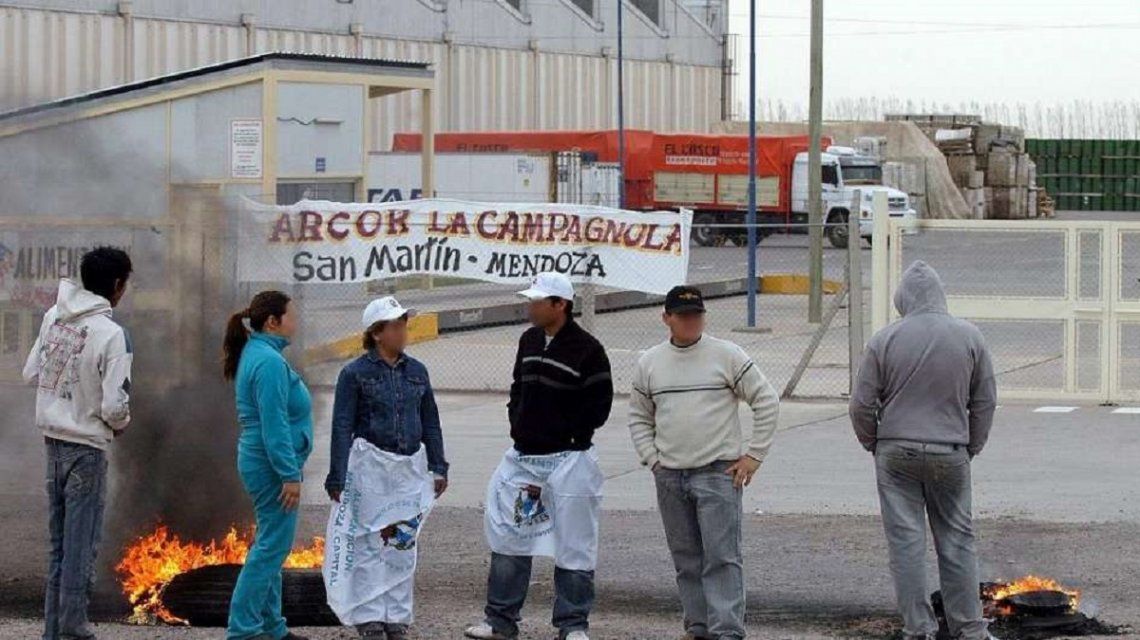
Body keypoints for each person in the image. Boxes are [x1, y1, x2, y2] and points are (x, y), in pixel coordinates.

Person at [849, 261, 998, 640]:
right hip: (951, 450)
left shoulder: (884, 339)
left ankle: (919, 629)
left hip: (896, 451)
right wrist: (971, 446)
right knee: (957, 540)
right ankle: (970, 627)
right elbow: (984, 401)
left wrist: (874, 442)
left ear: (904, 299)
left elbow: (862, 404)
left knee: (906, 543)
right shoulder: (970, 336)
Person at [465, 272, 613, 640]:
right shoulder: (528, 340)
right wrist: (518, 420)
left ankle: (573, 624)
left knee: (574, 544)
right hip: (525, 459)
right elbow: (518, 388)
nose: (529, 306)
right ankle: (500, 621)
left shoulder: (588, 349)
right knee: (510, 537)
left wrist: (570, 431)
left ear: (559, 305)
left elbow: (599, 404)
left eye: (537, 300)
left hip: (569, 460)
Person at [627, 285, 779, 640]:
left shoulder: (727, 355)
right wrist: (653, 460)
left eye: (696, 315)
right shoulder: (650, 363)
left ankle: (727, 631)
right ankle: (698, 627)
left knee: (722, 557)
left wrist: (754, 456)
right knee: (686, 557)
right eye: (683, 316)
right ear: (667, 318)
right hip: (670, 475)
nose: (691, 322)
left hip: (718, 472)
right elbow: (639, 416)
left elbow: (766, 400)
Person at [23, 247, 134, 640]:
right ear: (118, 286)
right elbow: (115, 405)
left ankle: (54, 633)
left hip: (52, 444)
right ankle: (73, 626)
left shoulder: (54, 316)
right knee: (81, 549)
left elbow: (31, 371)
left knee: (59, 549)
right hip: (86, 451)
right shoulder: (112, 333)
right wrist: (118, 422)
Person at [323, 296, 448, 640]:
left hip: (409, 467)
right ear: (377, 333)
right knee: (367, 543)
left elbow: (430, 421)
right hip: (370, 468)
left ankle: (396, 616)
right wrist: (337, 474)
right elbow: (342, 425)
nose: (402, 331)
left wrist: (438, 464)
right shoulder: (354, 374)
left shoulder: (417, 372)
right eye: (395, 325)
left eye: (403, 324)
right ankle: (369, 616)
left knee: (402, 543)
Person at [223, 290, 313, 640]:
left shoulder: (260, 354)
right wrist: (289, 475)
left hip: (265, 460)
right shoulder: (269, 362)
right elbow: (273, 423)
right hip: (271, 466)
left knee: (270, 546)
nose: (297, 321)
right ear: (273, 321)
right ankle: (243, 630)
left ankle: (272, 629)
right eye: (292, 315)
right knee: (270, 551)